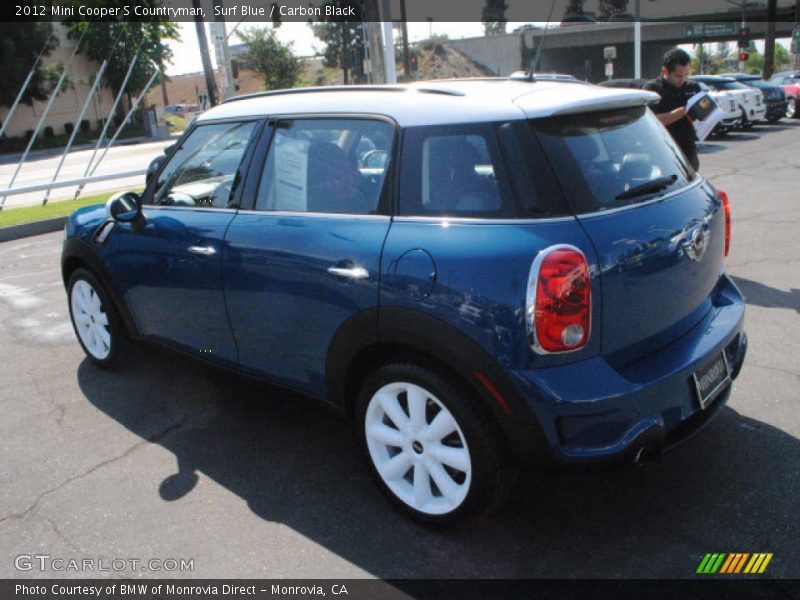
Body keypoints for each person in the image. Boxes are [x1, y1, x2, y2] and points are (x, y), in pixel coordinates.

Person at [644, 48, 702, 171]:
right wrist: (682, 112)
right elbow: (650, 121)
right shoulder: (652, 89)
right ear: (665, 71)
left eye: (686, 75)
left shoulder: (693, 87)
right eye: (678, 76)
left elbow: (704, 117)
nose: (683, 80)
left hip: (688, 149)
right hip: (663, 150)